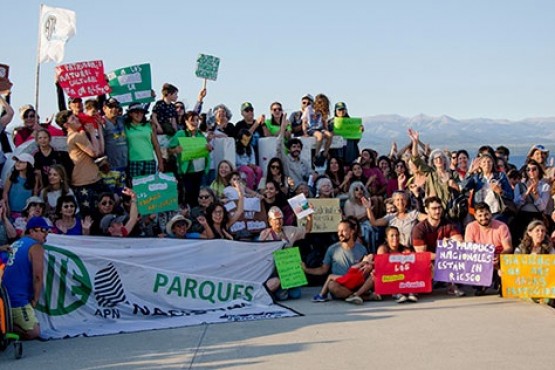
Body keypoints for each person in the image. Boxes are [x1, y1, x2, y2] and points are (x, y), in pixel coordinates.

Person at [2, 216, 49, 339]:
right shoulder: (36, 246)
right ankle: (4, 329)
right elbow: (38, 276)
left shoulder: (17, 243)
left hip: (5, 295)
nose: (46, 233)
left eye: (47, 230)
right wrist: (35, 299)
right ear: (32, 231)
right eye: (43, 230)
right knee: (34, 332)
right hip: (17, 298)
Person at [302, 219, 368, 302]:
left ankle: (353, 295)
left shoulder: (361, 249)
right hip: (340, 283)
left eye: (343, 231)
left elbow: (366, 267)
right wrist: (306, 270)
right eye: (338, 231)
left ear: (352, 232)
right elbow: (323, 270)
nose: (340, 234)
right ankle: (361, 296)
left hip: (355, 282)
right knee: (332, 286)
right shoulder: (332, 249)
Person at [411, 196, 465, 296]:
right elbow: (422, 254)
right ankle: (416, 288)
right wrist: (441, 255)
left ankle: (452, 286)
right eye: (434, 208)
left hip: (444, 258)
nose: (437, 211)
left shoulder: (448, 224)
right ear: (426, 209)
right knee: (426, 289)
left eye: (439, 208)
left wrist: (449, 242)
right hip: (428, 260)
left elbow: (459, 242)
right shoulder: (419, 228)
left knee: (456, 255)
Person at [259, 206, 313, 300]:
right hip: (274, 270)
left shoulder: (290, 230)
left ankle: (285, 288)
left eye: (280, 219)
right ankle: (276, 289)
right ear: (270, 221)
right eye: (275, 219)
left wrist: (310, 216)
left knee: (296, 295)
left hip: (289, 270)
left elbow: (307, 230)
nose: (278, 222)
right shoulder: (265, 234)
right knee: (282, 296)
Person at [57, 110, 103, 215]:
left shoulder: (78, 134)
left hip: (93, 178)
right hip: (85, 182)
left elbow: (100, 150)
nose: (77, 119)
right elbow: (94, 153)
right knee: (92, 215)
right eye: (73, 119)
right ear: (66, 125)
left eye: (75, 117)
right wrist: (92, 133)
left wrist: (99, 128)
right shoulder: (76, 136)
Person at [464, 202, 513, 295]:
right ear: (475, 216)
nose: (483, 218)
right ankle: (480, 285)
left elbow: (508, 247)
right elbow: (469, 248)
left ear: (491, 213)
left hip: (498, 257)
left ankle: (499, 282)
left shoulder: (501, 227)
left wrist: (499, 256)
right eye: (480, 215)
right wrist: (484, 258)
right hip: (480, 258)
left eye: (486, 214)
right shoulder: (470, 227)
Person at [168, 110, 212, 206]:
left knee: (199, 196)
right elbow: (169, 149)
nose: (195, 123)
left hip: (200, 171)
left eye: (197, 120)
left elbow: (206, 150)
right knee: (188, 196)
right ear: (186, 121)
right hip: (187, 172)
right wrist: (175, 150)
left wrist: (209, 148)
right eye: (192, 120)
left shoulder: (200, 135)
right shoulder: (180, 134)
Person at [124, 103, 164, 180]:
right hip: (133, 162)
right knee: (136, 188)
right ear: (130, 114)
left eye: (141, 112)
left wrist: (160, 162)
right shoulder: (125, 126)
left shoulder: (149, 126)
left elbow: (156, 145)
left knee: (150, 187)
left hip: (149, 161)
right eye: (136, 112)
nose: (139, 114)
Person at [377, 226, 416, 303]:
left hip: (403, 276)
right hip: (388, 277)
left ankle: (412, 292)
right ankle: (396, 293)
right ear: (386, 238)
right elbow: (381, 266)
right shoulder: (383, 249)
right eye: (392, 235)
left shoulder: (404, 249)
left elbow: (414, 261)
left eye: (397, 235)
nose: (395, 237)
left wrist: (408, 256)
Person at [3, 153, 38, 218]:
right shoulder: (12, 175)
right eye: (16, 161)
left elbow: (34, 195)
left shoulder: (34, 178)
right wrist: (7, 207)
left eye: (21, 162)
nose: (17, 163)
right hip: (11, 210)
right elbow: (5, 192)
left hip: (25, 212)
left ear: (28, 164)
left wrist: (31, 211)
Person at [101, 97, 128, 173]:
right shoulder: (101, 123)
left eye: (116, 107)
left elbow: (136, 112)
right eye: (111, 106)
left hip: (125, 164)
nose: (114, 109)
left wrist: (149, 98)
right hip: (111, 167)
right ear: (104, 108)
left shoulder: (122, 120)